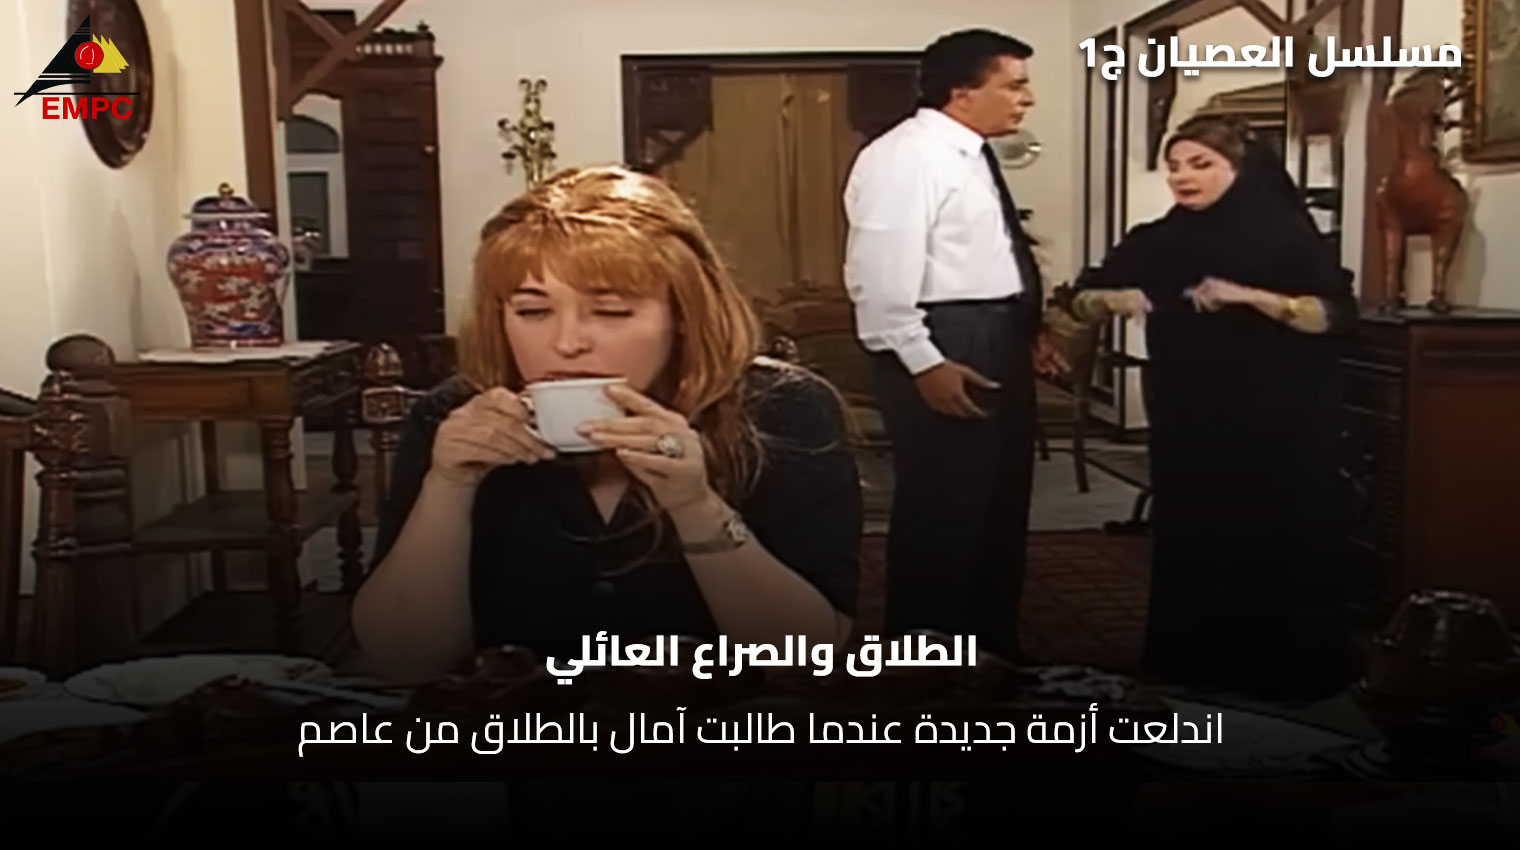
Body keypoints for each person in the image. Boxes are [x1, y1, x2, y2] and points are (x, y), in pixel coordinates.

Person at [353, 166, 862, 681]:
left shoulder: (785, 410)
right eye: (532, 312)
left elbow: (803, 659)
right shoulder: (454, 420)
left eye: (612, 312)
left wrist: (695, 506)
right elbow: (403, 661)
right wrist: (449, 485)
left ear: (682, 317)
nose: (567, 343)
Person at [1073, 115, 1358, 700]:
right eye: (1174, 166)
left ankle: (1284, 664)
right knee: (1197, 526)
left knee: (1276, 530)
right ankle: (1195, 659)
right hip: (1190, 409)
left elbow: (1335, 316)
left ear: (1241, 169)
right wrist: (1110, 299)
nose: (1183, 177)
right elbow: (1077, 299)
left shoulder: (1287, 237)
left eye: (1201, 165)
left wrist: (1252, 297)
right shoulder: (1157, 239)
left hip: (1282, 412)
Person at [842, 29, 1065, 662]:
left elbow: (987, 256)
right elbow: (878, 276)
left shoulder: (970, 153)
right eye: (1014, 85)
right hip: (942, 338)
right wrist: (924, 361)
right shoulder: (906, 157)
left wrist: (1026, 329)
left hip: (992, 333)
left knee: (998, 509)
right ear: (962, 92)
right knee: (946, 511)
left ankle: (990, 654)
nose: (1027, 99)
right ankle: (925, 666)